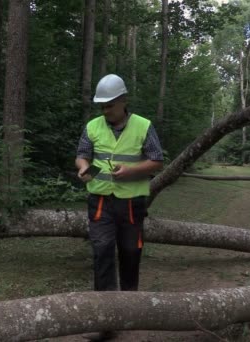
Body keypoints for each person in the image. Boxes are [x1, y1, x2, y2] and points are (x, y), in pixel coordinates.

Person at [75, 74, 163, 341]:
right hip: (101, 202)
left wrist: (132, 171)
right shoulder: (92, 127)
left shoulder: (143, 126)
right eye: (102, 106)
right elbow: (82, 155)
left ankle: (130, 308)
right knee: (101, 252)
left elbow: (156, 160)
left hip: (132, 203)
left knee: (129, 253)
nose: (105, 111)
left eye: (109, 105)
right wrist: (82, 169)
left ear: (123, 101)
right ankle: (106, 319)